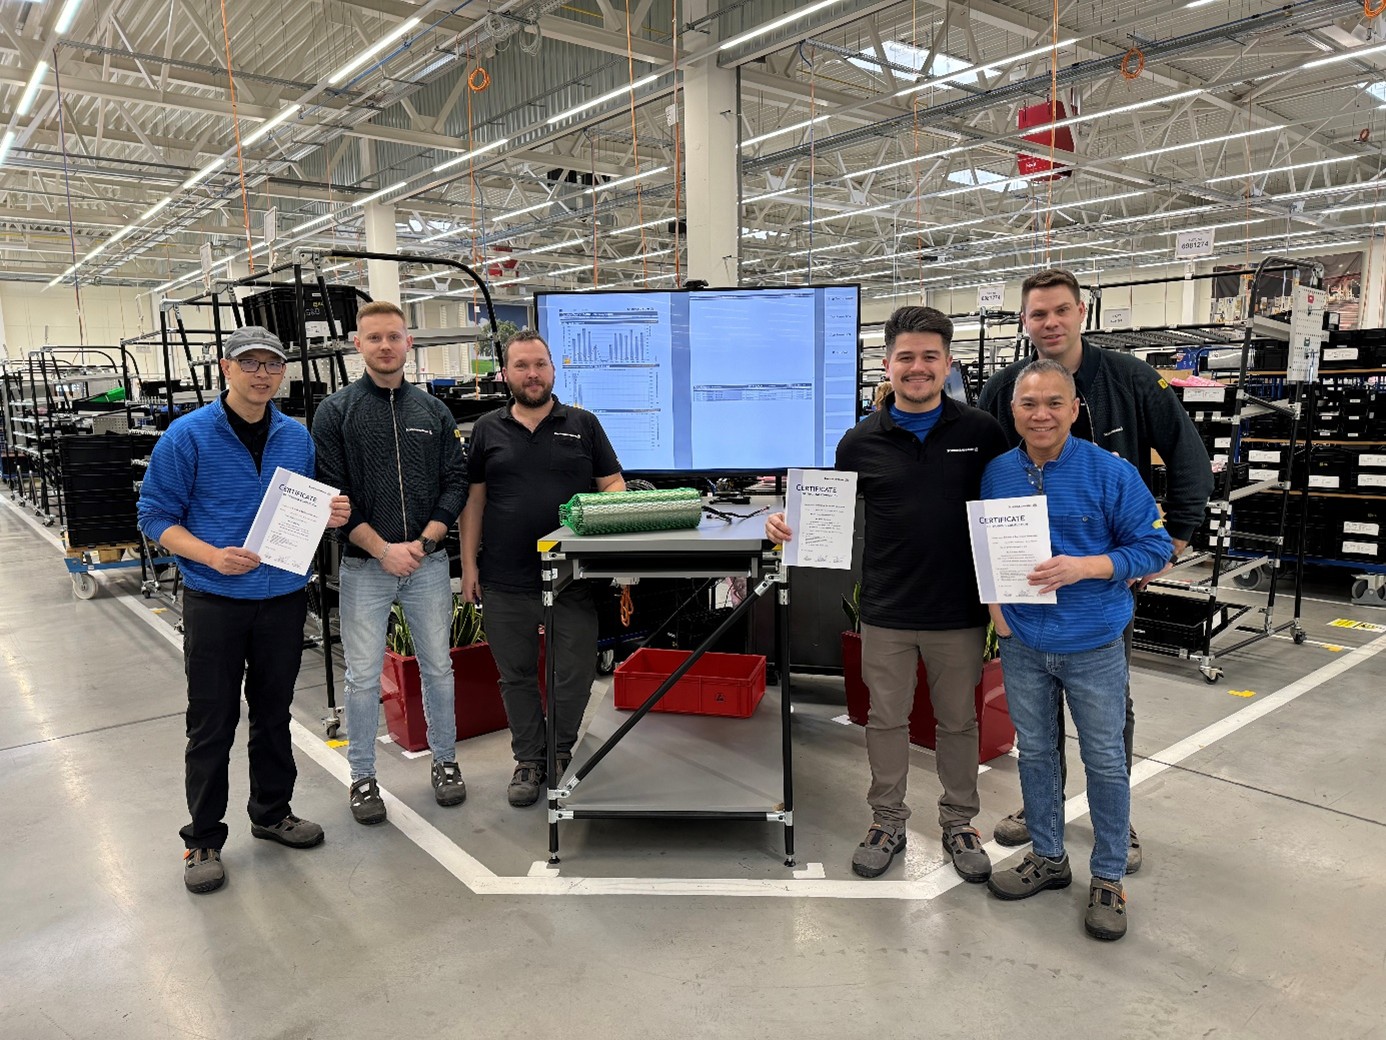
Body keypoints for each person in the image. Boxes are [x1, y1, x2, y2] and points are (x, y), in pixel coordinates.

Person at [977, 268, 1212, 870]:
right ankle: (1044, 811)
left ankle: (1115, 821)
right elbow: (982, 484)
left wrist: (1173, 541)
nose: (1050, 322)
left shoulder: (1132, 379)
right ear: (1025, 322)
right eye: (1038, 314)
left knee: (1108, 718)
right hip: (1028, 602)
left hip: (1102, 584)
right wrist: (997, 602)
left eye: (1061, 310)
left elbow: (1189, 457)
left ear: (1082, 312)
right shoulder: (1002, 388)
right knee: (1036, 729)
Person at [766, 306, 1009, 881]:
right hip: (886, 610)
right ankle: (887, 820)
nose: (917, 367)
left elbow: (1008, 508)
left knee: (958, 723)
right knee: (885, 720)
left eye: (929, 357)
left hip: (959, 611)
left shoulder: (982, 433)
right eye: (906, 357)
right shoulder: (858, 442)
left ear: (948, 363)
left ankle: (959, 822)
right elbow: (826, 513)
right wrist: (788, 521)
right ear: (887, 364)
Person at [138, 325, 351, 894]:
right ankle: (203, 838)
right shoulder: (187, 436)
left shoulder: (296, 437)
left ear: (283, 373)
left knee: (274, 713)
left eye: (272, 364)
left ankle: (272, 813)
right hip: (216, 601)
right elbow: (155, 517)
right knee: (211, 721)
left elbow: (303, 508)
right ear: (225, 368)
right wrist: (211, 555)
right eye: (250, 363)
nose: (262, 374)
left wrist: (330, 513)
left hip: (282, 600)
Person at [981, 359, 1173, 941]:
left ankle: (1108, 876)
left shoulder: (1111, 472)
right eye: (1028, 404)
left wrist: (1086, 567)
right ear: (1013, 410)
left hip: (1093, 644)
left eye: (1053, 403)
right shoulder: (997, 473)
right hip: (1024, 643)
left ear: (1073, 409)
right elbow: (987, 548)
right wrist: (998, 616)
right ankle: (1048, 857)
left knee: (1105, 760)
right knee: (1037, 754)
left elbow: (1155, 549)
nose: (1040, 415)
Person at [311, 301, 469, 825]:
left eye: (394, 337)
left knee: (438, 667)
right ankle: (362, 777)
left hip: (427, 562)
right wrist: (382, 549)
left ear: (408, 343)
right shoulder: (336, 412)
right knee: (361, 677)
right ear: (358, 344)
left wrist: (422, 543)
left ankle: (445, 761)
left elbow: (455, 482)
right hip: (364, 566)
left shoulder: (434, 412)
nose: (385, 346)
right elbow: (334, 494)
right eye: (374, 337)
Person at [461, 329, 625, 807]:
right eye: (521, 366)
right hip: (504, 577)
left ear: (553, 370)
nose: (532, 374)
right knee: (515, 676)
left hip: (572, 577)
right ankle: (529, 759)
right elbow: (474, 501)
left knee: (574, 673)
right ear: (505, 373)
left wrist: (602, 529)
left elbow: (613, 485)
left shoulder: (584, 424)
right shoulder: (487, 429)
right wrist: (468, 565)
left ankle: (559, 750)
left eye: (540, 365)